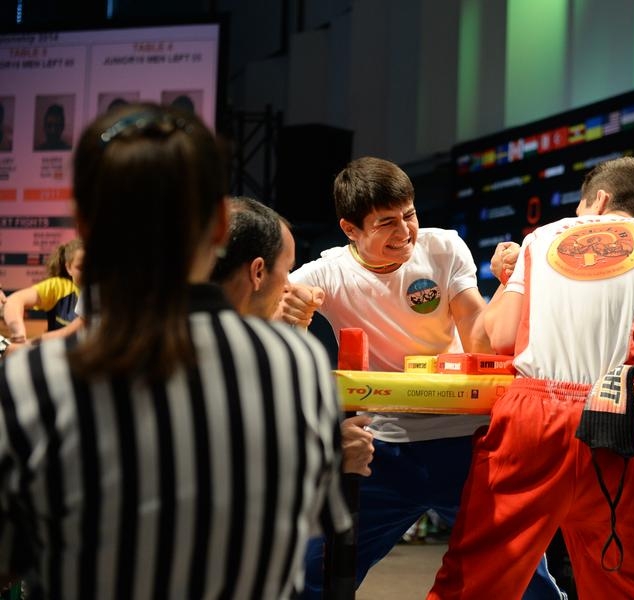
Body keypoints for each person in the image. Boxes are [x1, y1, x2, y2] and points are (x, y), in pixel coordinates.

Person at [0, 102, 349, 598]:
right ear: (219, 229)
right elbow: (307, 523)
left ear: (83, 225)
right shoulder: (295, 363)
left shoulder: (34, 378)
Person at [428, 156, 634, 599]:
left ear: (598, 200)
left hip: (531, 420)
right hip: (618, 415)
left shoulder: (541, 237)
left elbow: (492, 340)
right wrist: (624, 338)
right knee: (631, 588)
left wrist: (506, 279)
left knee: (474, 584)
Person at [285, 156, 566, 599]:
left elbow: (481, 342)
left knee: (526, 578)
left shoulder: (444, 247)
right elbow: (266, 320)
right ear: (350, 229)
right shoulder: (326, 272)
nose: (404, 233)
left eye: (409, 215)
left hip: (464, 443)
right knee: (311, 577)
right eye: (386, 223)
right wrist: (291, 312)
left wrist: (516, 282)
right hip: (381, 452)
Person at [210, 195, 375, 476]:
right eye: (287, 271)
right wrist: (332, 457)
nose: (289, 285)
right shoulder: (269, 358)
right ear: (258, 272)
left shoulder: (137, 339)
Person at [2, 238, 83, 344]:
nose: (89, 272)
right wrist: (18, 333)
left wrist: (26, 346)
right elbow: (13, 301)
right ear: (68, 268)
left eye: (94, 266)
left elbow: (72, 332)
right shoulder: (59, 287)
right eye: (81, 267)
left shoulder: (105, 294)